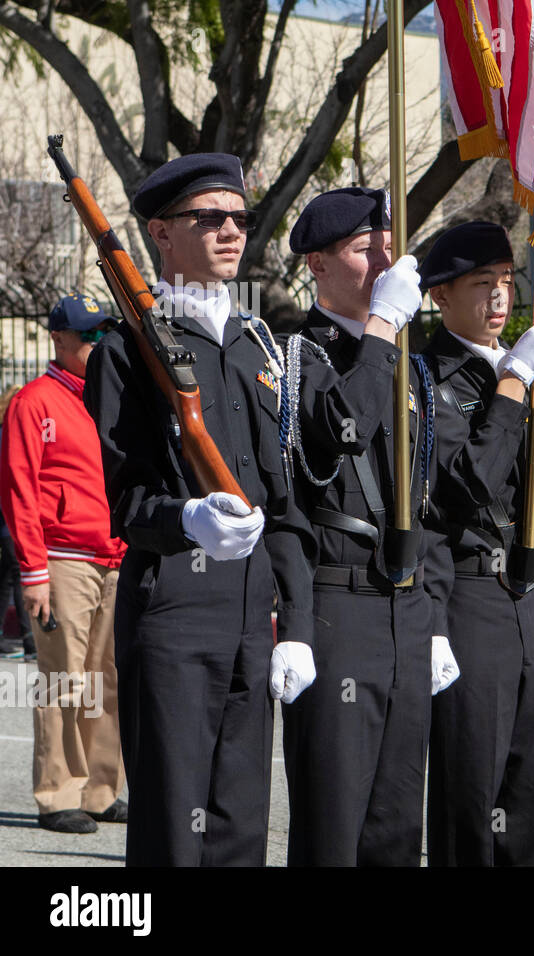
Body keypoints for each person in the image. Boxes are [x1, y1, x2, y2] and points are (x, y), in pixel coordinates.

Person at [84, 153, 402, 865]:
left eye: (239, 218)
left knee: (239, 830)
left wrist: (293, 625)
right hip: (173, 609)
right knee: (173, 829)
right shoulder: (128, 351)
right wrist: (185, 520)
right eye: (210, 218)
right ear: (162, 234)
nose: (231, 231)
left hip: (252, 617)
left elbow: (286, 501)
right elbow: (128, 498)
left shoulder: (259, 347)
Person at [418, 220, 534, 867]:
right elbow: (463, 487)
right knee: (473, 799)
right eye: (480, 284)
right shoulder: (429, 380)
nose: (499, 299)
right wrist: (514, 383)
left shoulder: (529, 384)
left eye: (506, 283)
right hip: (473, 599)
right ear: (440, 295)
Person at [278, 187, 443, 865]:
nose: (383, 258)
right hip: (338, 602)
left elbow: (425, 494)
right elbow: (345, 427)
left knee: (397, 826)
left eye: (386, 243)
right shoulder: (300, 354)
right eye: (361, 247)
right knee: (335, 825)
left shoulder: (407, 361)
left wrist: (432, 612)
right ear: (317, 263)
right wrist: (381, 330)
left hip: (403, 603)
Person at [0, 294, 127, 834]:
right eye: (92, 336)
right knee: (63, 683)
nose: (101, 344)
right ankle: (58, 794)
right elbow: (18, 491)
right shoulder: (33, 402)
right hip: (63, 559)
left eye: (105, 334)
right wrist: (33, 571)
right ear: (60, 340)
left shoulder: (110, 397)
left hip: (113, 559)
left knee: (108, 681)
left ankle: (101, 789)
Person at [0, 384, 35, 661]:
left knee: (8, 578)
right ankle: (30, 639)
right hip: (11, 519)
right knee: (20, 577)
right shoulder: (11, 435)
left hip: (5, 520)